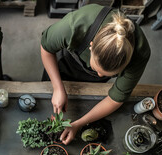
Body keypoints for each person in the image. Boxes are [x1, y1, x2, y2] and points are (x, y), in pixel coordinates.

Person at [41, 4, 150, 145]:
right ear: (91, 46)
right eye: (96, 68)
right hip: (64, 64)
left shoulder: (140, 54)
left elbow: (115, 99)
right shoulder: (75, 25)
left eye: (107, 75)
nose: (98, 76)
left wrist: (78, 124)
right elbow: (46, 48)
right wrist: (57, 88)